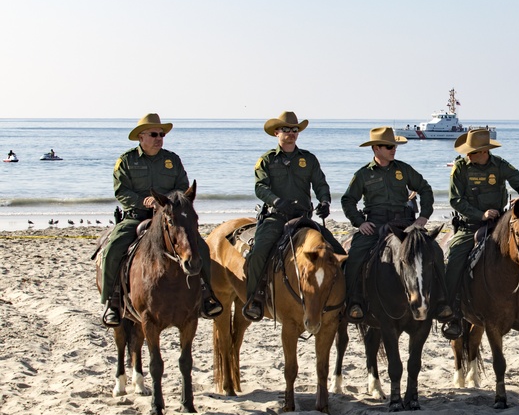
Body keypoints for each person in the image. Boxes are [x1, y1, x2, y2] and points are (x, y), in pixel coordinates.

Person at [100, 113, 222, 327]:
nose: (159, 138)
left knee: (200, 247)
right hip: (137, 216)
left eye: (161, 134)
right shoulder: (127, 161)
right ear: (141, 137)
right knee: (113, 248)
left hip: (170, 218)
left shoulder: (172, 160)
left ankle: (205, 294)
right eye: (154, 134)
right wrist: (144, 202)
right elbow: (121, 191)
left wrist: (169, 204)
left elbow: (183, 189)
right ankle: (112, 301)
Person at [440, 129, 519, 339]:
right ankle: (453, 313)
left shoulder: (501, 165)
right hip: (470, 226)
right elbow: (455, 200)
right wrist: (481, 213)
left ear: (485, 151)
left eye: (473, 151)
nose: (469, 154)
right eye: (468, 151)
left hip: (499, 225)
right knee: (455, 257)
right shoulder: (460, 167)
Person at [341, 126, 451, 323]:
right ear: (376, 148)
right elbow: (348, 200)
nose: (393, 149)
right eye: (388, 146)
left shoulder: (404, 169)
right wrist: (359, 223)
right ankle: (355, 300)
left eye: (394, 146)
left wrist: (424, 217)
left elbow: (425, 188)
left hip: (404, 223)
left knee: (434, 249)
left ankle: (442, 301)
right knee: (356, 254)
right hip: (375, 223)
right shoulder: (363, 174)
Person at [242, 111, 344, 321]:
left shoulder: (308, 159)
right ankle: (255, 298)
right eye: (286, 130)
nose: (291, 133)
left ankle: (343, 301)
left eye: (294, 130)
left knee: (339, 252)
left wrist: (325, 201)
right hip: (276, 217)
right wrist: (277, 201)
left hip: (303, 218)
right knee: (259, 253)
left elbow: (320, 184)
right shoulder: (267, 160)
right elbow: (260, 187)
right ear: (276, 132)